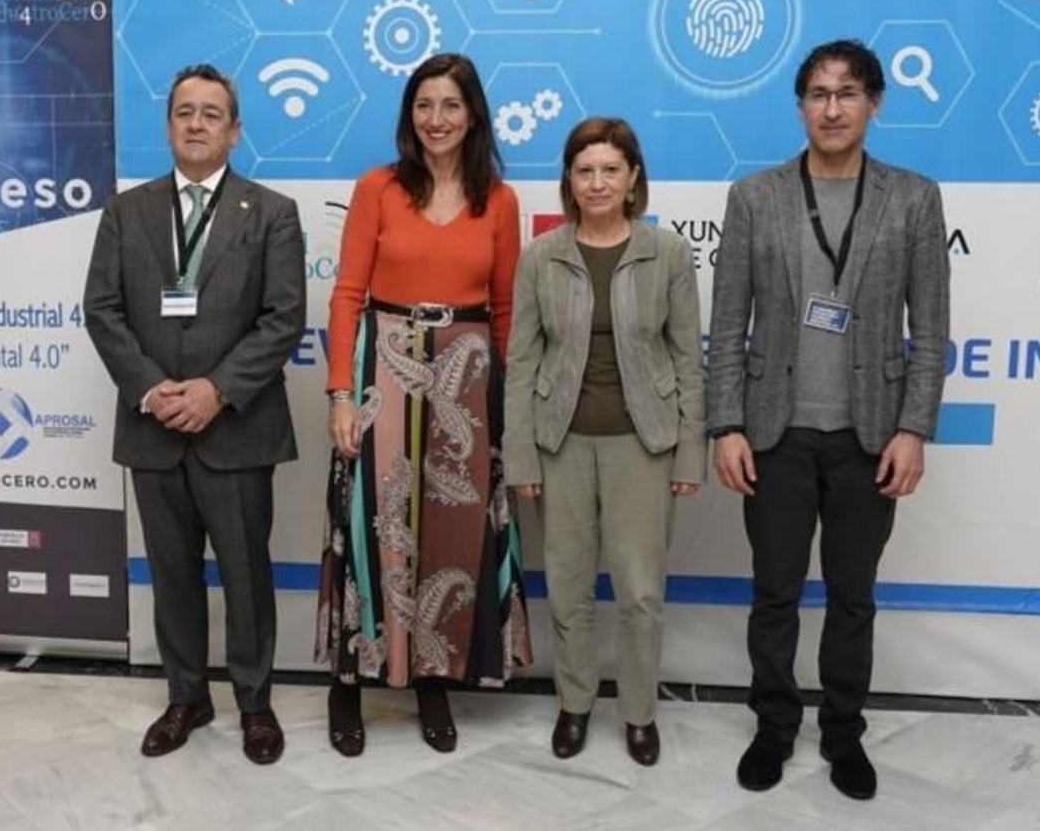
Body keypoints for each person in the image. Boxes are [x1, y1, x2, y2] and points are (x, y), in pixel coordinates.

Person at [706, 39, 950, 800]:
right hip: (774, 431)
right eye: (817, 93)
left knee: (853, 595)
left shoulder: (912, 197)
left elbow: (932, 328)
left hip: (869, 436)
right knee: (774, 593)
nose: (832, 107)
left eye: (847, 93)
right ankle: (774, 728)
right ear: (801, 105)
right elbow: (728, 323)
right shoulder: (755, 197)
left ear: (875, 102)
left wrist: (913, 427)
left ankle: (844, 733)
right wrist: (726, 425)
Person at [83, 63, 305, 766]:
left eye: (213, 113)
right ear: (169, 124)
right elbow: (103, 310)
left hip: (236, 428)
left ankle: (254, 702)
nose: (197, 123)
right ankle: (187, 696)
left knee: (246, 576)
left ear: (235, 130)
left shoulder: (270, 213)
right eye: (185, 111)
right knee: (172, 575)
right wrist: (153, 390)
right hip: (154, 429)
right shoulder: (127, 212)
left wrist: (215, 389)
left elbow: (283, 318)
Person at [315, 53, 531, 757]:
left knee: (447, 537)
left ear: (473, 115)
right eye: (423, 105)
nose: (436, 120)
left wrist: (505, 406)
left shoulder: (498, 199)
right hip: (383, 366)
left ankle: (430, 679)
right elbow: (348, 292)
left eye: (450, 106)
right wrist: (341, 395)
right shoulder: (377, 187)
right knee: (370, 530)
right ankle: (348, 681)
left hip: (468, 378)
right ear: (410, 115)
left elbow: (505, 313)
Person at [503, 117, 704, 767]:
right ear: (568, 179)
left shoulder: (666, 253)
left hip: (642, 446)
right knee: (567, 587)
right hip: (561, 444)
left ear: (633, 178)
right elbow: (523, 363)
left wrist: (689, 451)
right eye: (585, 170)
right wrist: (523, 454)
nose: (597, 182)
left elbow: (688, 361)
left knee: (641, 592)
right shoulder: (541, 256)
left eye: (610, 170)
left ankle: (640, 714)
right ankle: (576, 704)